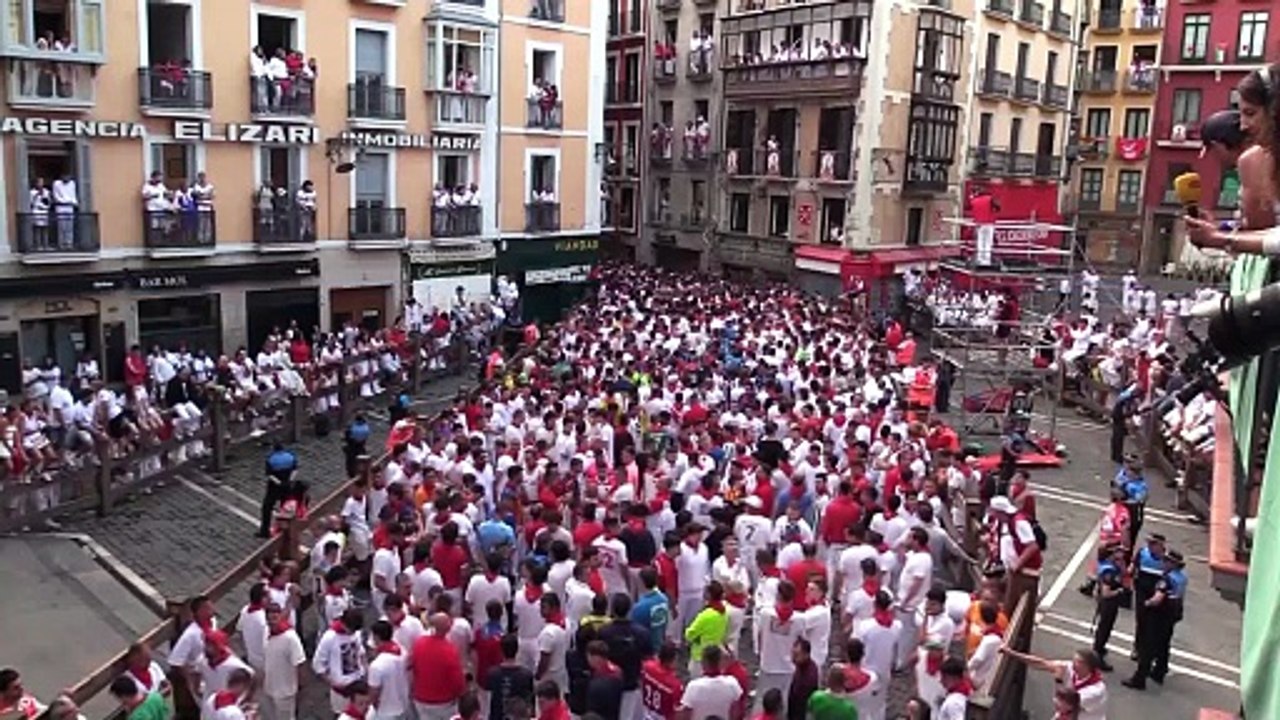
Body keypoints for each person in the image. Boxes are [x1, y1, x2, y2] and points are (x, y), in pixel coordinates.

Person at [1124, 550, 1187, 690]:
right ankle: (1159, 671)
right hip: (1173, 614)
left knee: (1148, 646)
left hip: (1160, 615)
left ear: (1172, 564)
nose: (1163, 563)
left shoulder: (1166, 579)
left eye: (1166, 561)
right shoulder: (1182, 577)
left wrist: (1147, 603)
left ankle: (1139, 678)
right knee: (1164, 644)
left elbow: (1158, 599)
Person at [1000, 647, 1107, 720]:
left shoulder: (1096, 691)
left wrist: (1058, 680)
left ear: (1087, 666)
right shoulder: (1071, 668)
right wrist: (1012, 653)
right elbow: (1041, 663)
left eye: (1077, 661)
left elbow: (1063, 704)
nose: (1072, 663)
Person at [410, 613, 467, 720]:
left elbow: (414, 667)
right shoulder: (449, 650)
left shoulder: (419, 643)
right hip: (443, 702)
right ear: (448, 627)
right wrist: (462, 693)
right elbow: (457, 679)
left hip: (421, 698)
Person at [677, 646, 743, 720]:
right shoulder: (732, 684)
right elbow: (736, 712)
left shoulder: (693, 687)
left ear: (703, 663)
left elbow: (685, 714)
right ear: (720, 661)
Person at [1090, 543, 1128, 672]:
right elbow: (1106, 593)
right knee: (1104, 629)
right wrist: (1119, 592)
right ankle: (1097, 655)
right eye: (1119, 552)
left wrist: (1122, 563)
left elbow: (1124, 574)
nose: (1122, 554)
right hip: (1108, 603)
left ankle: (1099, 648)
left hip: (1109, 603)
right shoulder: (1109, 571)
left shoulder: (1113, 566)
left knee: (1106, 627)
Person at [260, 443, 299, 537]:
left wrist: (279, 482)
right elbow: (295, 470)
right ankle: (286, 529)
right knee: (285, 507)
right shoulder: (290, 456)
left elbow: (269, 475)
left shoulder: (271, 459)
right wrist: (289, 481)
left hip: (274, 487)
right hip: (287, 485)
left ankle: (264, 531)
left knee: (267, 507)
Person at [639, 643, 683, 720]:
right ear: (672, 660)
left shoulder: (647, 666)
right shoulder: (674, 685)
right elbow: (675, 712)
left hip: (645, 713)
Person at [786, 638, 819, 720]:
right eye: (792, 654)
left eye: (796, 655)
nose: (793, 658)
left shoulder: (808, 678)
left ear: (806, 654)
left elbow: (802, 705)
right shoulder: (801, 665)